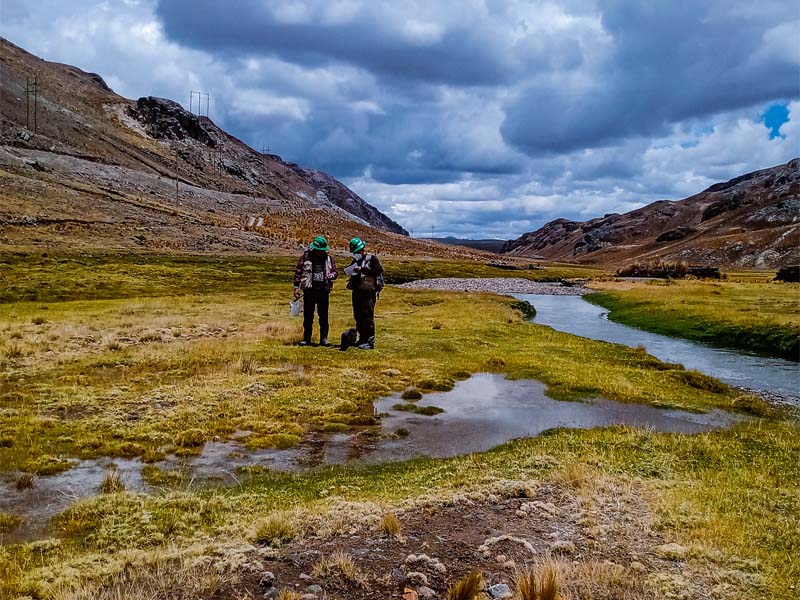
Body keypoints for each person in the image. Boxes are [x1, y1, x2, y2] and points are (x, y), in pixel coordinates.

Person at [293, 236, 338, 346]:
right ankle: (306, 338)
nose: (320, 253)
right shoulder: (305, 257)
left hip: (323, 291)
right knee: (308, 317)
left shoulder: (329, 259)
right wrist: (296, 287)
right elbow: (298, 272)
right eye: (319, 250)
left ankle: (324, 339)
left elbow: (335, 272)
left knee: (323, 316)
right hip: (309, 291)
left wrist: (331, 275)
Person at [345, 237, 384, 350]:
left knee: (367, 317)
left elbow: (378, 271)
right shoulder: (355, 260)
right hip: (357, 291)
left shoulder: (372, 259)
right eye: (354, 252)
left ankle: (370, 341)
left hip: (368, 292)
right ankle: (362, 339)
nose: (356, 253)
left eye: (357, 251)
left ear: (362, 249)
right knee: (358, 316)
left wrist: (362, 269)